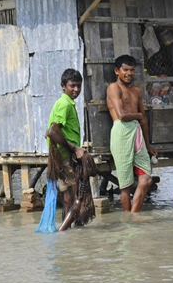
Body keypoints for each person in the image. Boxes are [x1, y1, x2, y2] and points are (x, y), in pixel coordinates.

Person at [46, 69, 96, 230]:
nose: (76, 89)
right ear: (63, 86)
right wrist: (75, 148)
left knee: (69, 198)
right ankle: (63, 232)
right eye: (72, 86)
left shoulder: (67, 103)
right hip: (64, 156)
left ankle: (68, 234)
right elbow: (52, 131)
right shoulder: (65, 104)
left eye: (78, 86)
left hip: (65, 156)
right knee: (74, 198)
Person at [107, 55, 156, 212]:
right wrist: (139, 116)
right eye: (125, 70)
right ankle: (129, 218)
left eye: (132, 70)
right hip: (121, 132)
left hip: (137, 132)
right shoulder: (113, 88)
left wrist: (148, 145)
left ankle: (133, 215)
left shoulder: (136, 90)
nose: (129, 73)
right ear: (117, 71)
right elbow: (121, 115)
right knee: (125, 185)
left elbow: (144, 120)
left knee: (146, 179)